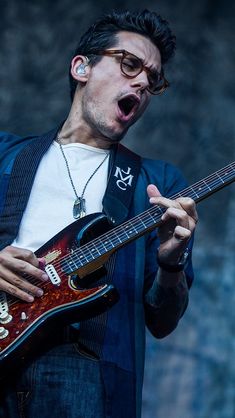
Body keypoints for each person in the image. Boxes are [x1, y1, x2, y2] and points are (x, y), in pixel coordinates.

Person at [0, 9, 198, 418]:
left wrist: (171, 263)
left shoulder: (155, 181)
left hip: (87, 375)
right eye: (129, 65)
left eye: (153, 80)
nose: (142, 83)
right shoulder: (6, 155)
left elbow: (163, 321)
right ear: (81, 68)